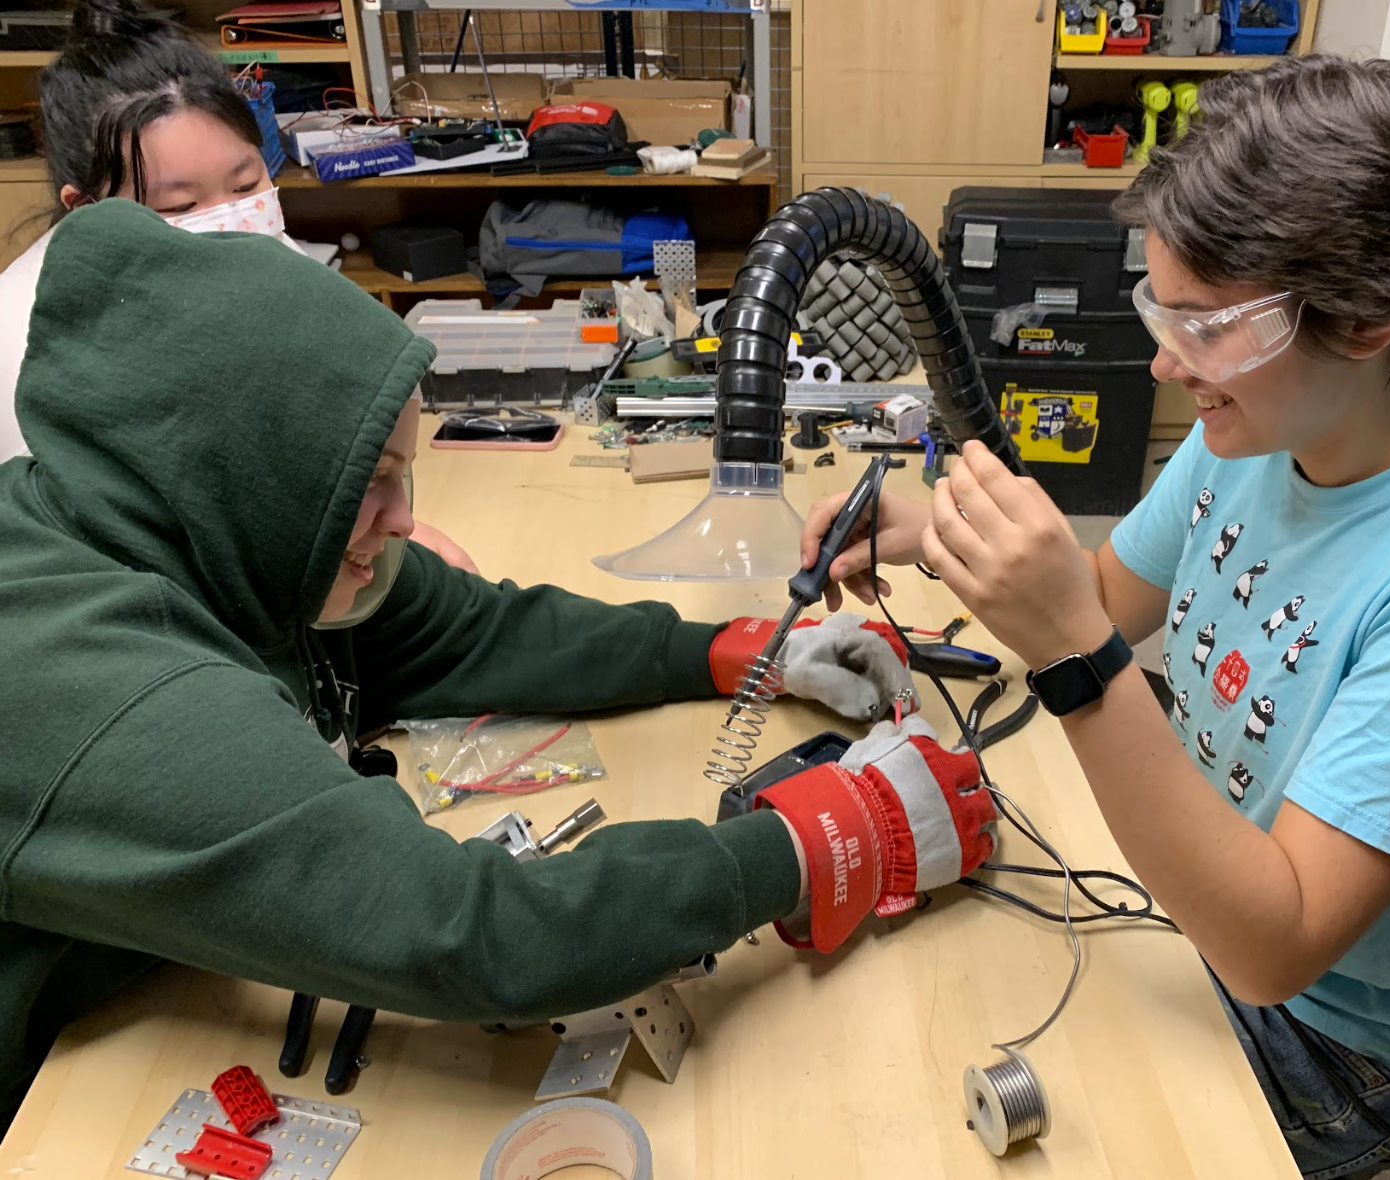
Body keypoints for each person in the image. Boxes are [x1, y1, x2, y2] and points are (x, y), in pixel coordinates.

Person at [0, 199, 998, 1130]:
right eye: (375, 485)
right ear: (247, 473)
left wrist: (736, 650)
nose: (406, 521)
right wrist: (824, 837)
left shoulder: (221, 532)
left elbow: (468, 631)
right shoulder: (105, 693)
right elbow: (477, 933)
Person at [803, 57, 1390, 1180]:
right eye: (1160, 309)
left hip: (1334, 1033)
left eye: (1206, 326)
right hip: (1208, 894)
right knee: (894, 974)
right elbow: (1107, 596)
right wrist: (931, 528)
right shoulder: (1265, 429)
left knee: (936, 1099)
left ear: (1373, 316)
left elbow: (1274, 946)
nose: (1164, 361)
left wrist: (1075, 660)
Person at [0, 0, 475, 572]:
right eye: (181, 205)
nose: (231, 219)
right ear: (83, 209)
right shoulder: (23, 348)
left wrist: (385, 523)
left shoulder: (260, 248)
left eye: (246, 183)